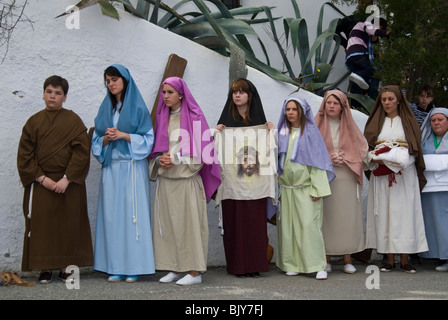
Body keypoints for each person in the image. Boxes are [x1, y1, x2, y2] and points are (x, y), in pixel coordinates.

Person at [17, 75, 93, 283]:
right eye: (49, 92)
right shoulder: (33, 122)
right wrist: (41, 178)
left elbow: (81, 152)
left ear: (65, 97)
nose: (53, 96)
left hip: (68, 183)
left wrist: (67, 179)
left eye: (58, 93)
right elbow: (25, 154)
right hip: (43, 183)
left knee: (69, 224)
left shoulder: (73, 120)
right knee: (43, 225)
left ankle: (66, 268)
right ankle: (45, 268)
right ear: (43, 94)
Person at [149, 76, 221, 286]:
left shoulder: (195, 117)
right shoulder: (162, 117)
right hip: (167, 181)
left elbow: (204, 152)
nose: (166, 96)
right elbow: (157, 149)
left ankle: (194, 272)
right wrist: (160, 159)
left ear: (181, 94)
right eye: (164, 92)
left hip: (186, 181)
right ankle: (174, 267)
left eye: (170, 92)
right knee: (169, 226)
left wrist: (175, 159)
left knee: (189, 227)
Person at [92, 64, 155, 283]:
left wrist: (124, 135)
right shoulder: (106, 110)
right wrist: (107, 139)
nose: (111, 84)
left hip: (131, 168)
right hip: (111, 169)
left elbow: (148, 140)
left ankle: (134, 267)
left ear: (125, 81)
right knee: (112, 218)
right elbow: (96, 142)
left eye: (114, 79)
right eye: (108, 80)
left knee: (132, 217)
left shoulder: (138, 108)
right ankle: (115, 266)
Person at [363, 85, 428, 273]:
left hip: (404, 176)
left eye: (390, 99)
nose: (387, 103)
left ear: (398, 100)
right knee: (384, 214)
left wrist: (398, 164)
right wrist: (376, 160)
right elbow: (366, 149)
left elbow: (415, 150)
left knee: (405, 215)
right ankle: (389, 259)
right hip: (382, 177)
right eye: (383, 99)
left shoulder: (409, 122)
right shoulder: (375, 123)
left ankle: (405, 260)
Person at [215, 78, 274, 278]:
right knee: (235, 225)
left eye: (241, 92)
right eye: (234, 92)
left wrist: (270, 132)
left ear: (250, 95)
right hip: (232, 186)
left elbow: (269, 151)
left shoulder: (261, 124)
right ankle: (237, 267)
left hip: (254, 186)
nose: (237, 95)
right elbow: (215, 150)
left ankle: (255, 265)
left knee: (255, 225)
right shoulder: (225, 124)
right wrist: (216, 134)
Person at [275, 95, 334, 280]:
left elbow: (317, 163)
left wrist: (317, 188)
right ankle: (292, 263)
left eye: (294, 109)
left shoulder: (310, 133)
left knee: (309, 227)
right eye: (288, 109)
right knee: (288, 228)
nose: (290, 113)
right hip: (287, 189)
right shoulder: (281, 132)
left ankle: (318, 265)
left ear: (302, 112)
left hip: (306, 188)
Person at [315, 90, 368, 274]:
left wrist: (347, 158)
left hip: (346, 177)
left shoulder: (351, 127)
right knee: (326, 218)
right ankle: (326, 258)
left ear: (343, 106)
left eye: (335, 103)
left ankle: (347, 258)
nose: (331, 106)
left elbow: (363, 151)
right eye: (328, 102)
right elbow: (309, 151)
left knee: (346, 218)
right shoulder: (316, 126)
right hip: (325, 178)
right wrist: (328, 158)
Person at [419, 108, 448, 271]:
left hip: (446, 188)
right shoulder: (425, 139)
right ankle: (437, 256)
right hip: (429, 188)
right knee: (432, 222)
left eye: (441, 119)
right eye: (433, 120)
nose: (436, 123)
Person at [345, 18, 390, 97]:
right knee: (370, 70)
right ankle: (359, 75)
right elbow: (374, 31)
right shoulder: (365, 23)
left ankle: (356, 102)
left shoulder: (363, 35)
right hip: (358, 52)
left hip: (351, 57)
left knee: (358, 82)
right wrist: (386, 32)